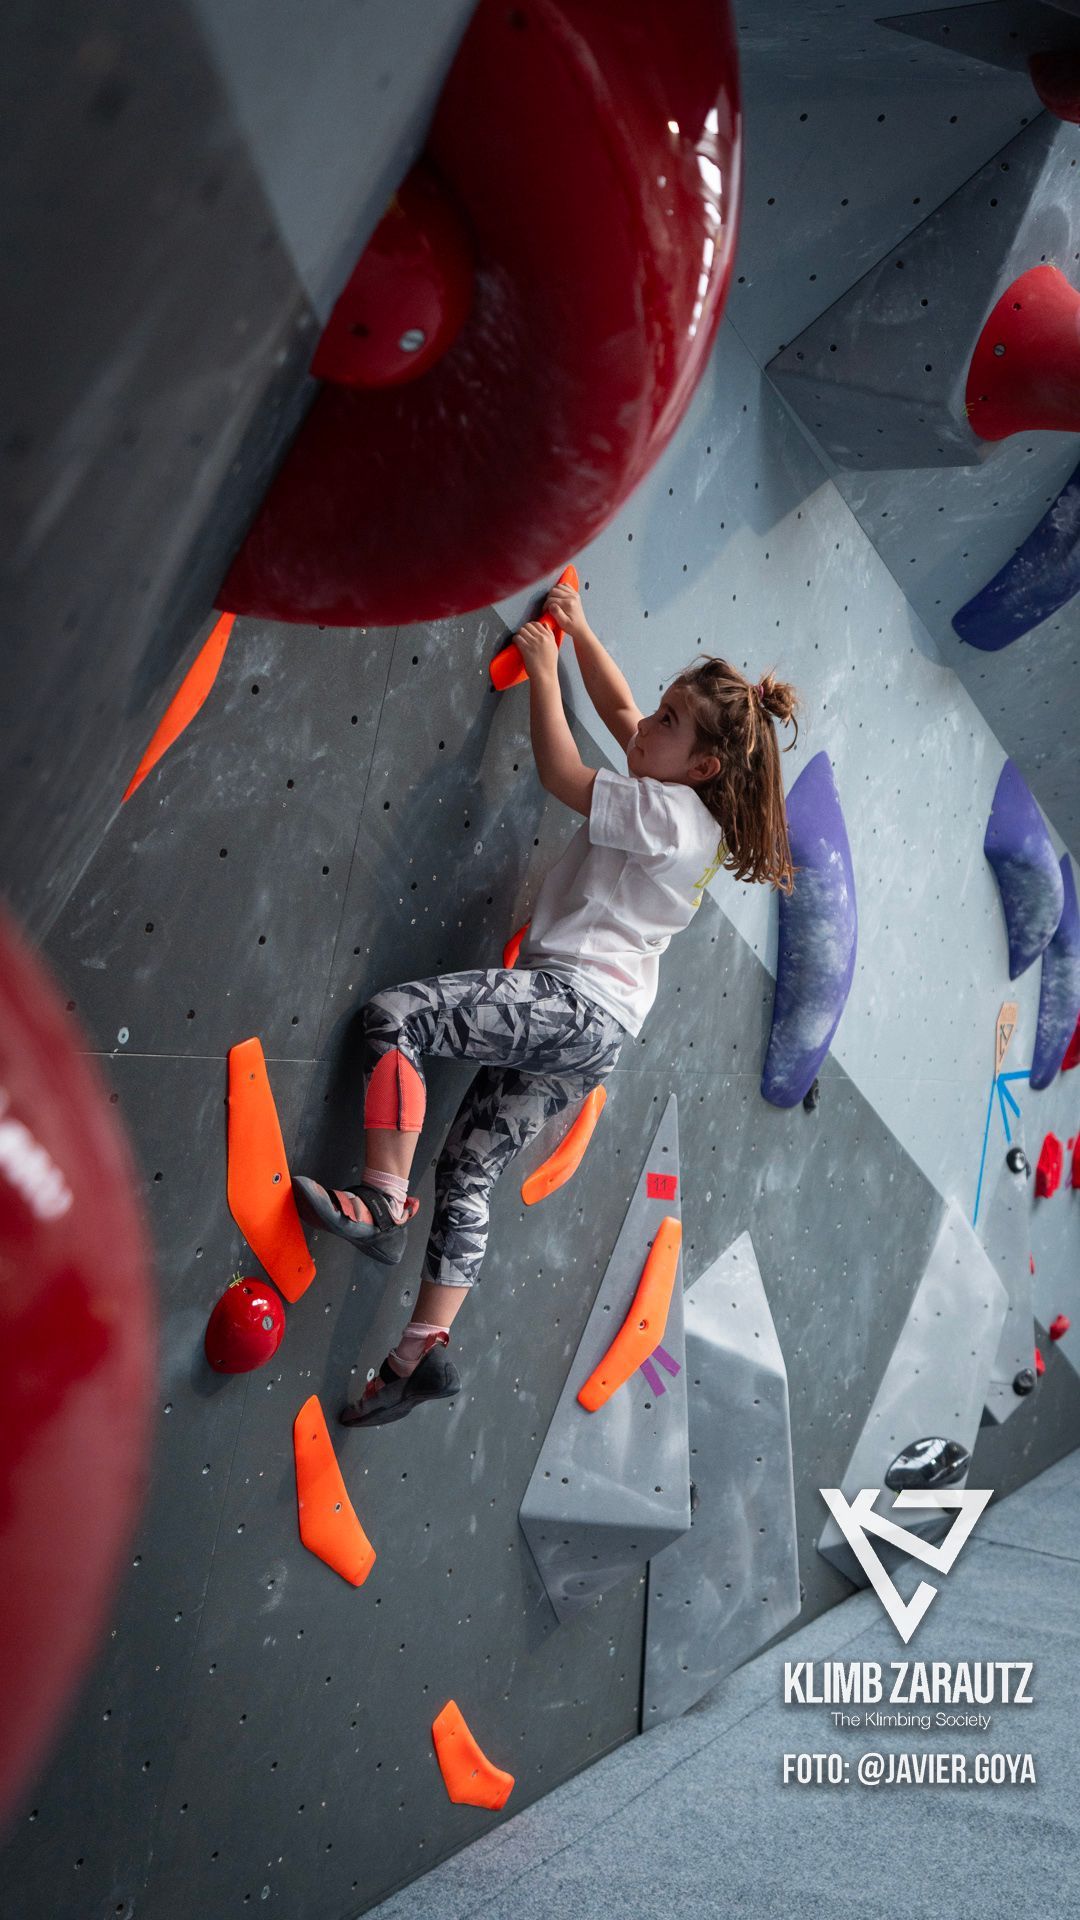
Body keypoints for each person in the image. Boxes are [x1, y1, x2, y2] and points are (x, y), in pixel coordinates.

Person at [293, 580, 801, 1426]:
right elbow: (624, 711)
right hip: (598, 1035)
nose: (648, 724)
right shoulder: (692, 816)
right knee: (470, 1167)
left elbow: (565, 772)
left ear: (703, 767)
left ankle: (382, 1199)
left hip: (569, 1000)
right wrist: (581, 631)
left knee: (399, 1018)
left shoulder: (664, 813)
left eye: (670, 721)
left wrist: (541, 669)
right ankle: (420, 1350)